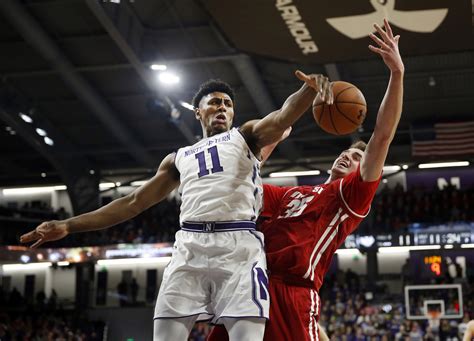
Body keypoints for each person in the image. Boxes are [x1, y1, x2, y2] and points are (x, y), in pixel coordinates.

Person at [20, 70, 333, 340]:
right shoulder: (178, 157)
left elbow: (282, 117)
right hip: (190, 247)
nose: (222, 107)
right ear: (198, 112)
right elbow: (132, 202)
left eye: (227, 103)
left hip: (240, 247)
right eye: (214, 102)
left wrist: (308, 90)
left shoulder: (247, 136)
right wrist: (67, 225)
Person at [208, 19, 404, 341]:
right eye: (347, 153)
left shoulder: (350, 197)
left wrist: (396, 74)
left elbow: (382, 137)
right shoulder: (292, 194)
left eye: (357, 159)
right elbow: (244, 180)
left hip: (293, 294)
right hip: (248, 287)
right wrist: (275, 135)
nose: (348, 157)